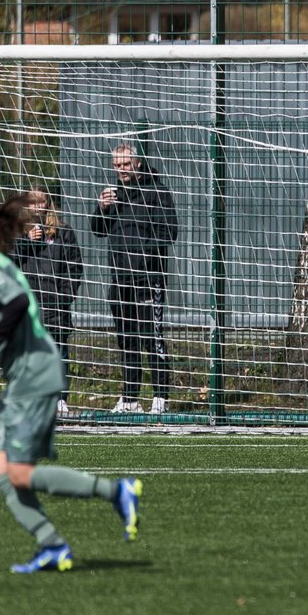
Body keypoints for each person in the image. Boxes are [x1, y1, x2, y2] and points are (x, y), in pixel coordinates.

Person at [0, 194, 142, 574]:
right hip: (22, 375)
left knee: (17, 472)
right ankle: (52, 545)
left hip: (35, 374)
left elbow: (13, 306)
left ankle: (116, 491)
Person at [90, 142, 179, 415]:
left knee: (151, 336)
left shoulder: (157, 192)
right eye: (117, 166)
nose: (121, 170)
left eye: (126, 165)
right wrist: (102, 209)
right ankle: (129, 398)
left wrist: (141, 252)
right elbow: (98, 231)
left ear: (138, 163)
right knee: (126, 338)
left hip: (148, 278)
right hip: (120, 279)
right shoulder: (115, 195)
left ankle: (160, 397)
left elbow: (170, 232)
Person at [13, 186, 83, 416]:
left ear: (48, 204)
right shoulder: (16, 232)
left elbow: (74, 268)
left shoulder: (63, 232)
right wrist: (27, 242)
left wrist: (64, 297)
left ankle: (59, 400)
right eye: (31, 202)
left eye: (41, 201)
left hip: (56, 305)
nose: (37, 206)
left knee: (58, 353)